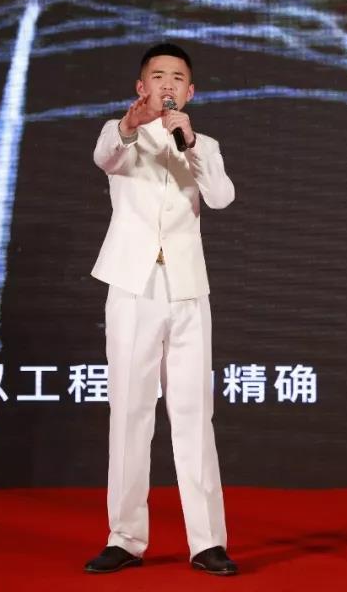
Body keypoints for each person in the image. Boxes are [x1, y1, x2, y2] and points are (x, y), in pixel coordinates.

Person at [83, 43, 238, 576]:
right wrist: (133, 123)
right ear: (141, 87)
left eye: (177, 78)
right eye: (158, 76)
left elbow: (221, 197)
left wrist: (189, 143)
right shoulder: (122, 134)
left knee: (195, 415)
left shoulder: (203, 144)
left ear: (190, 92)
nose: (167, 85)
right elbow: (106, 156)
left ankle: (207, 542)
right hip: (134, 285)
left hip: (187, 287)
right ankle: (125, 537)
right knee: (130, 412)